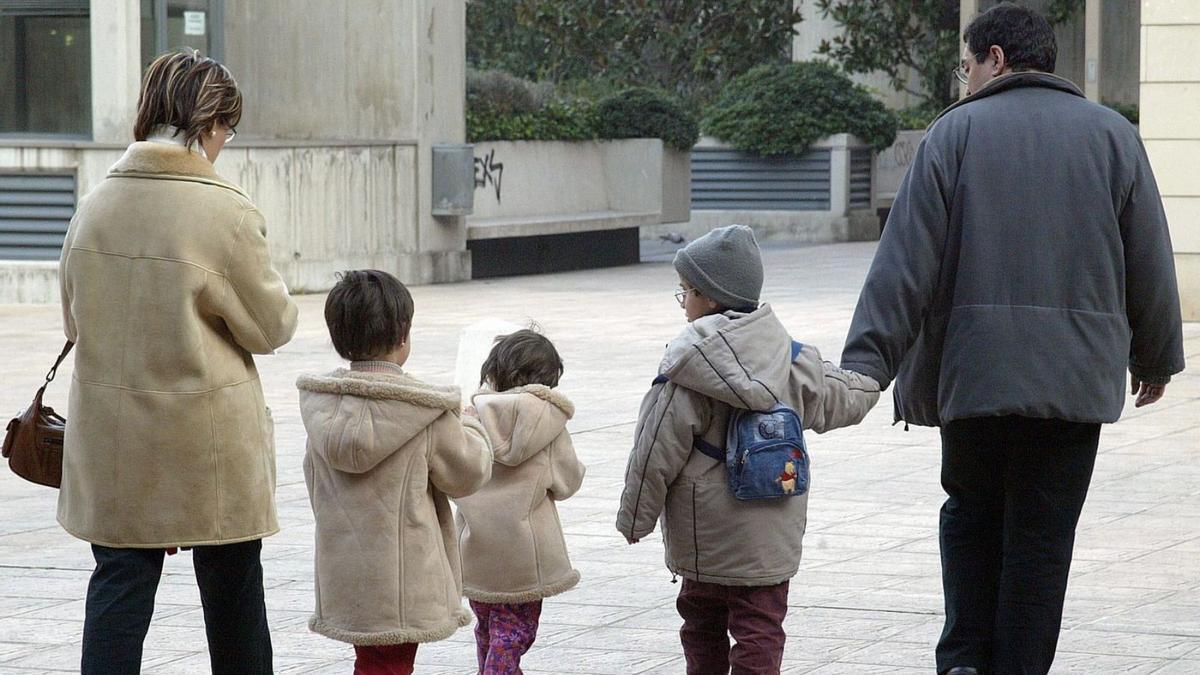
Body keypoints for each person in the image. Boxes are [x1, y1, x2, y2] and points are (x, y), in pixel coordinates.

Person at [838, 5, 1186, 675]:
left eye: (964, 67)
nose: (963, 81)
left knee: (970, 515)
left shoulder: (953, 135)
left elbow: (903, 264)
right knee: (1042, 536)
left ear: (995, 58)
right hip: (1073, 386)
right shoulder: (1114, 136)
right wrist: (1156, 356)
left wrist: (864, 366)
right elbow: (1149, 257)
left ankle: (965, 659)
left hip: (975, 377)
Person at [58, 49, 297, 674]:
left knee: (118, 592)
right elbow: (271, 327)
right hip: (208, 442)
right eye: (226, 129)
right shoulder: (226, 211)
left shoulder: (94, 206)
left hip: (114, 443)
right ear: (209, 121)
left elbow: (73, 322)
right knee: (233, 596)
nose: (224, 144)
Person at [616, 225, 880, 674]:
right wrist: (876, 373)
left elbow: (653, 452)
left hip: (705, 543)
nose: (684, 303)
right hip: (768, 544)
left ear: (711, 298)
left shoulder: (686, 368)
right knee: (761, 629)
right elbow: (846, 396)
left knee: (701, 625)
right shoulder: (794, 359)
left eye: (686, 292)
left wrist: (635, 517)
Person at [298, 270, 493, 675]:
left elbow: (314, 483)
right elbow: (468, 474)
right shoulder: (423, 411)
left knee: (374, 662)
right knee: (389, 666)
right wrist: (471, 424)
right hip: (404, 581)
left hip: (346, 574)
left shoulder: (323, 409)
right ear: (403, 334)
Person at [454, 329, 586, 673]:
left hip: (475, 549)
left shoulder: (472, 417)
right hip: (525, 557)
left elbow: (455, 475)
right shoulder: (548, 423)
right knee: (515, 632)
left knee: (488, 629)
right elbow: (567, 481)